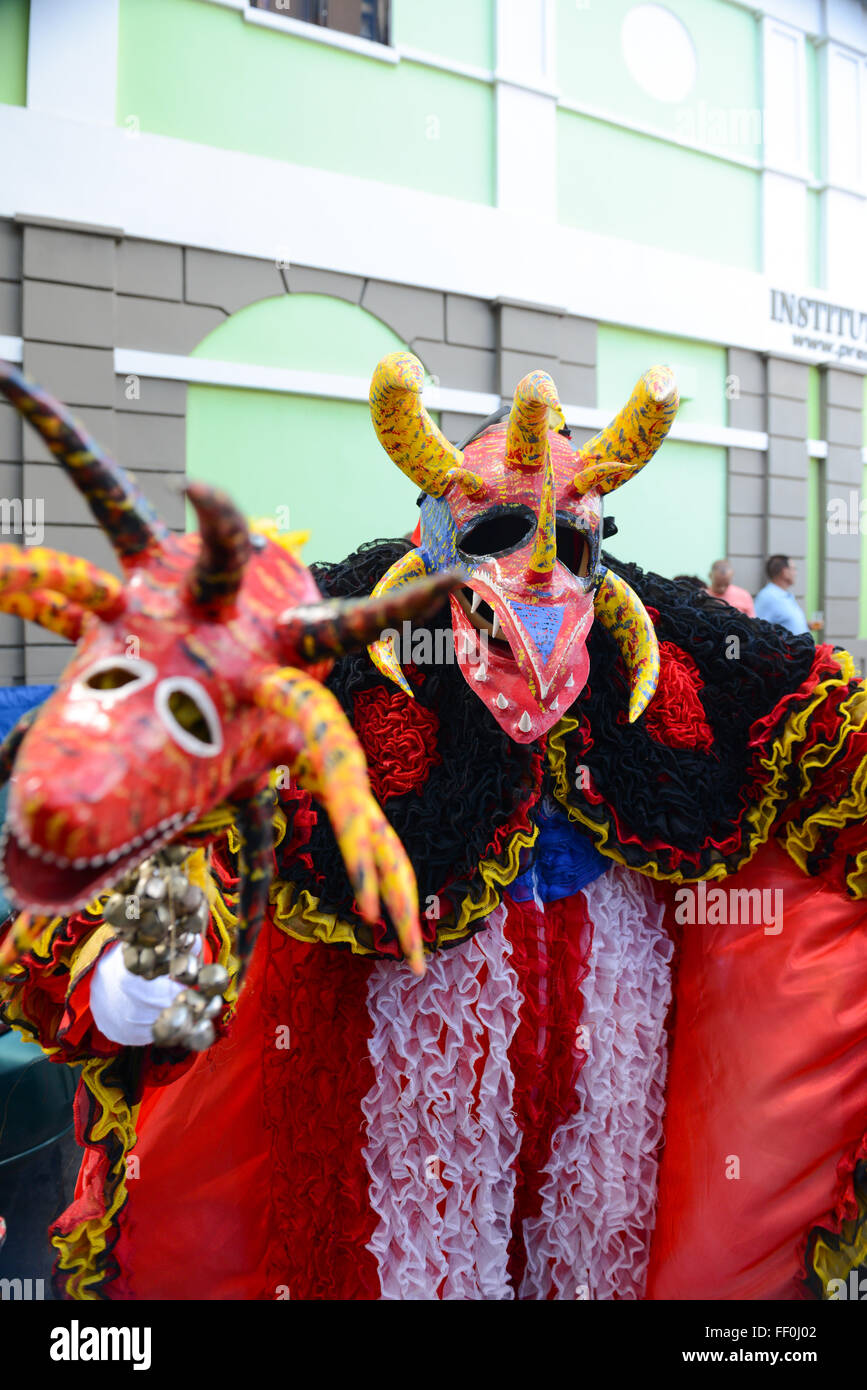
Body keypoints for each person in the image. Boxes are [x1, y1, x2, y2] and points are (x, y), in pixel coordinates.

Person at [2, 354, 867, 1304]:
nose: (533, 569)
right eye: (494, 530)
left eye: (566, 542)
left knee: (593, 1259)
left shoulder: (668, 634)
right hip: (403, 1063)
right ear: (432, 531)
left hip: (610, 1067)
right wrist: (144, 940)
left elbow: (820, 724)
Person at [754, 555, 821, 636]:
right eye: (794, 569)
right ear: (785, 572)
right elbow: (757, 629)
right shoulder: (767, 596)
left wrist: (806, 625)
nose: (795, 573)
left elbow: (785, 623)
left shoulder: (785, 595)